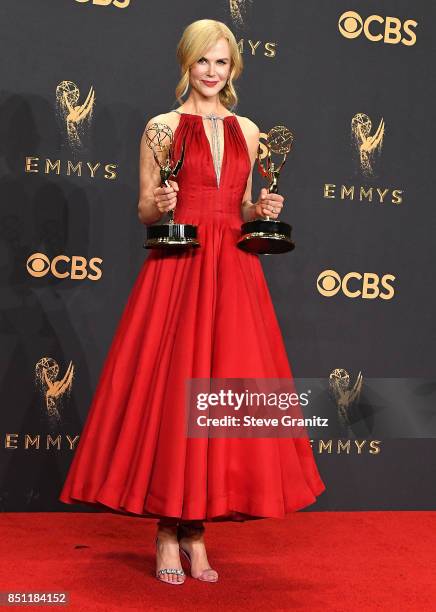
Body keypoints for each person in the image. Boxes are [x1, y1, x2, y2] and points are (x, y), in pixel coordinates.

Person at [59, 18, 326, 585]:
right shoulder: (160, 128)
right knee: (172, 398)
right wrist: (159, 201)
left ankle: (198, 534)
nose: (212, 72)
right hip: (178, 269)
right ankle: (165, 533)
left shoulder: (249, 130)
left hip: (233, 269)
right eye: (203, 61)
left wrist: (262, 211)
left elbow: (244, 205)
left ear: (233, 69)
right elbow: (145, 213)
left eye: (222, 62)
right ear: (186, 64)